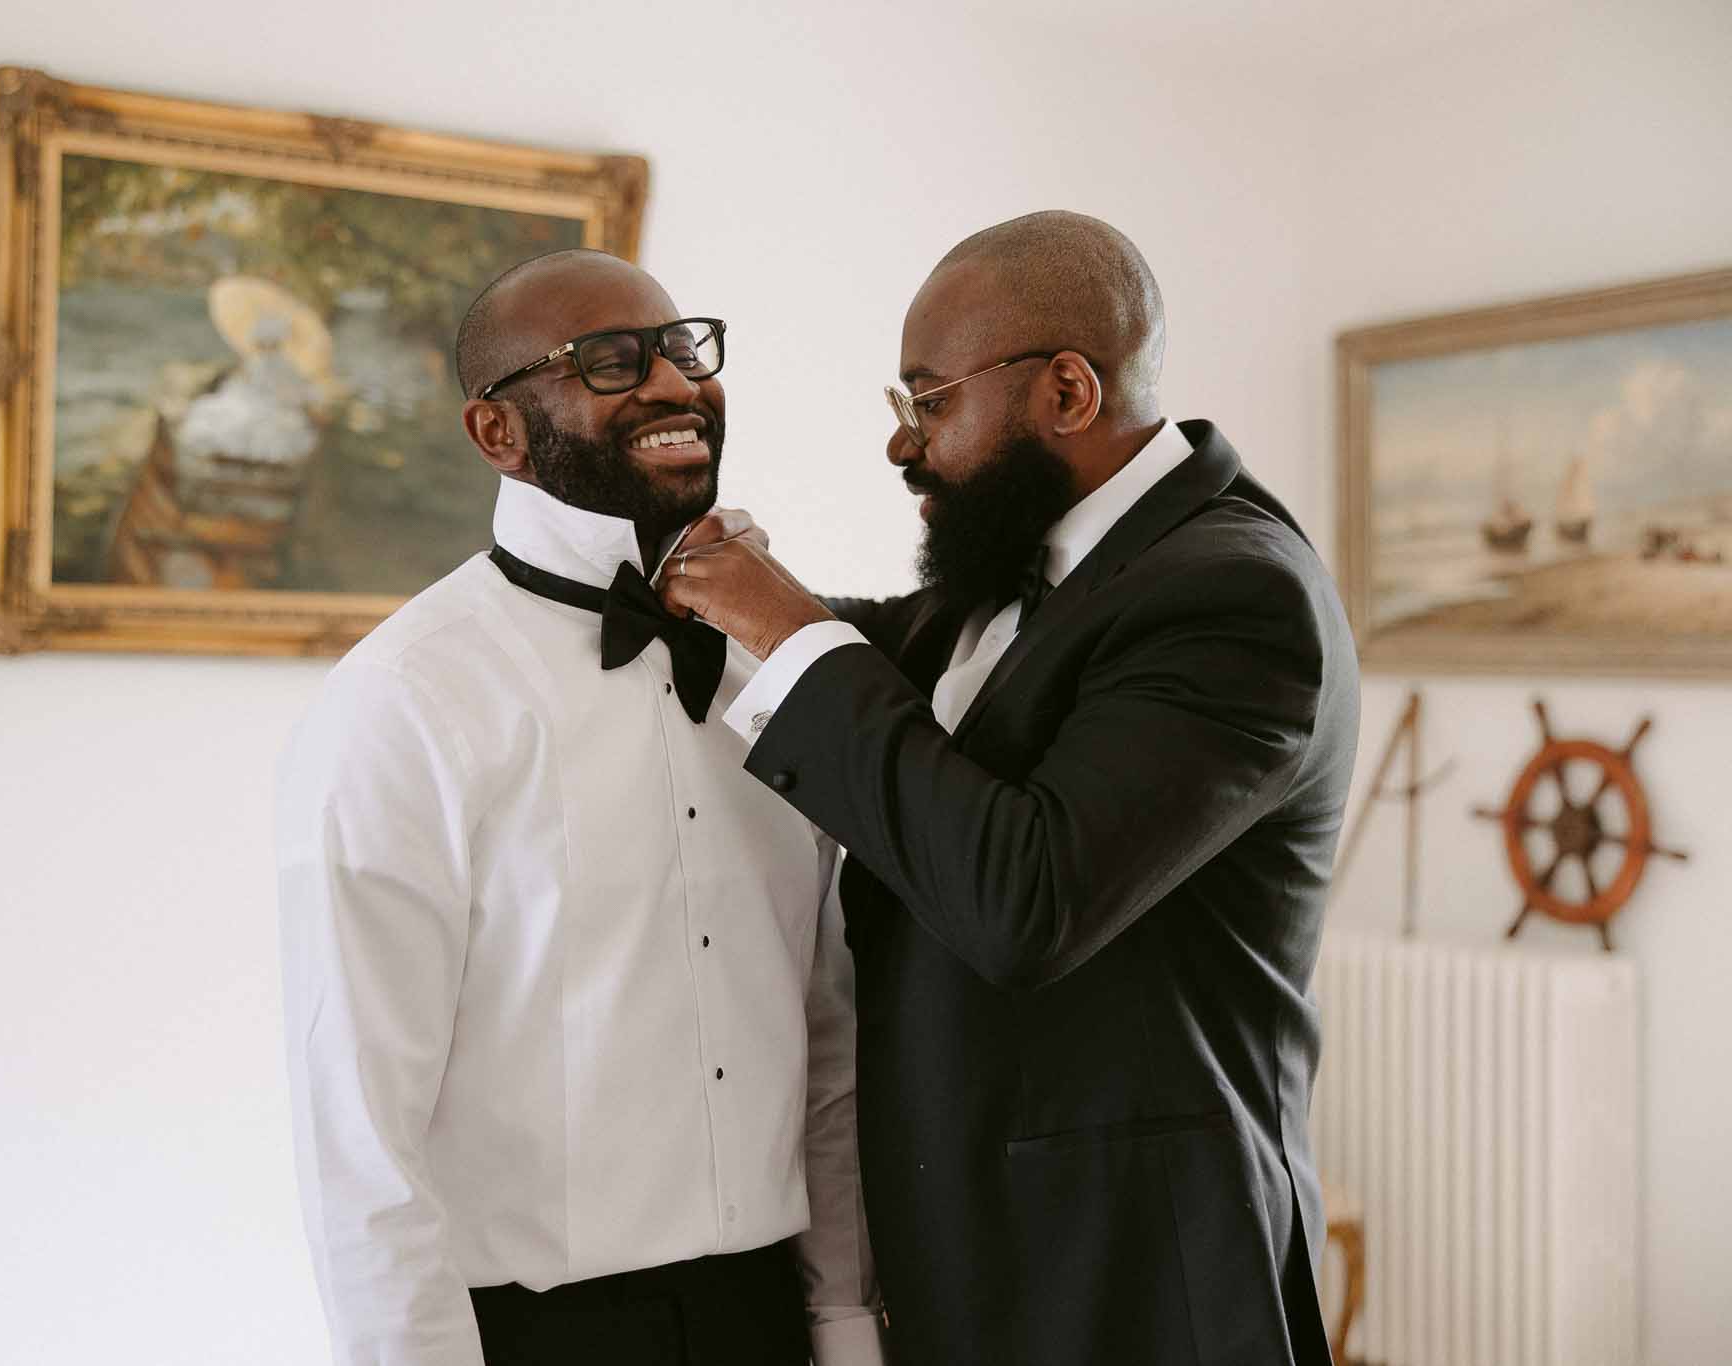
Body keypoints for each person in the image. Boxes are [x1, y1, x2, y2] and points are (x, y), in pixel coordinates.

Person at [659, 212, 1362, 1366]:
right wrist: (713, 589)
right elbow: (873, 658)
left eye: (927, 403)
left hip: (1136, 1287)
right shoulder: (1019, 567)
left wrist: (781, 629)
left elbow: (1021, 897)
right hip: (985, 1265)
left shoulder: (1237, 595)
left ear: (1067, 393)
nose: (901, 446)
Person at [275, 248, 882, 1366]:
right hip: (534, 1333)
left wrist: (844, 1327)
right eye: (606, 361)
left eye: (680, 347)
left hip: (768, 1318)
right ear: (496, 434)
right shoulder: (401, 703)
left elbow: (826, 1037)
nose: (669, 383)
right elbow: (359, 1133)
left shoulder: (776, 672)